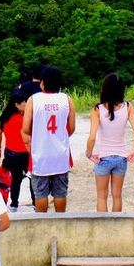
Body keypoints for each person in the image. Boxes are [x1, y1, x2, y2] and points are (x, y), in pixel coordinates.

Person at [22, 65, 76, 213]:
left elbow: (26, 128)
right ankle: (60, 221)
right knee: (60, 192)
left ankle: (42, 223)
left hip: (40, 154)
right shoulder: (67, 99)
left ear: (42, 83)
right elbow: (71, 128)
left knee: (40, 193)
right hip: (60, 154)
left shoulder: (33, 100)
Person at [85, 73, 134, 212]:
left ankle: (103, 227)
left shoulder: (97, 109)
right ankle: (116, 226)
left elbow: (92, 137)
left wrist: (89, 153)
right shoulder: (128, 107)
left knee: (102, 197)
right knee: (117, 196)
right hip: (121, 157)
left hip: (103, 158)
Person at [0, 91, 33, 211]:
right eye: (24, 102)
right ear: (16, 105)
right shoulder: (23, 119)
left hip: (10, 153)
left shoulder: (5, 118)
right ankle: (35, 202)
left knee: (15, 179)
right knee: (32, 177)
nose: (26, 104)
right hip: (24, 153)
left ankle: (14, 204)